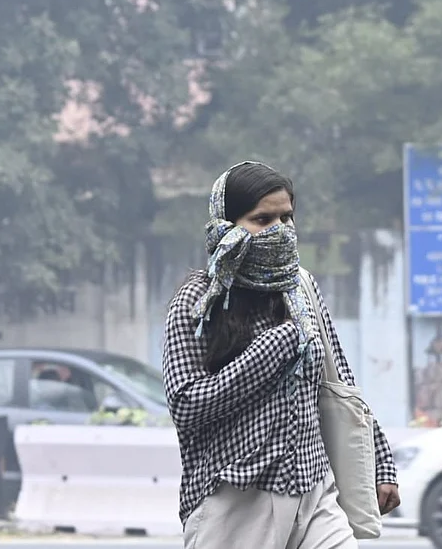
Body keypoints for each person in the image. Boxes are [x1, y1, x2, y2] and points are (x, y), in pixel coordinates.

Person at [162, 161, 401, 549]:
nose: (280, 230)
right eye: (263, 219)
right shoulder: (197, 300)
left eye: (287, 217)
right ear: (226, 224)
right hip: (237, 499)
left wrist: (381, 460)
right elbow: (187, 406)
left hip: (313, 488)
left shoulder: (301, 290)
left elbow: (338, 382)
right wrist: (274, 347)